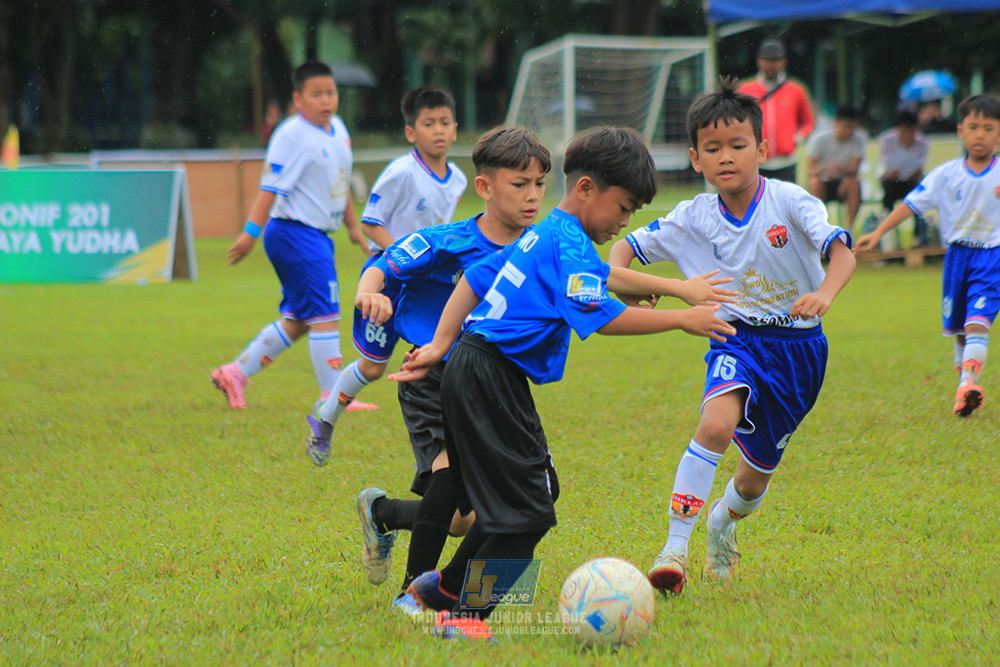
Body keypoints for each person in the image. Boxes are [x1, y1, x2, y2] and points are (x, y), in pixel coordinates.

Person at [390, 126, 738, 639]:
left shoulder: (546, 231)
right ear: (586, 189)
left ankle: (440, 591)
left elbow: (475, 279)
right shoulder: (566, 238)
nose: (623, 222)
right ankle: (461, 615)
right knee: (528, 515)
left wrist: (443, 344)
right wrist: (682, 318)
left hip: (481, 371)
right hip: (489, 375)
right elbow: (599, 314)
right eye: (622, 208)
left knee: (535, 496)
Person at [609, 78, 855, 595]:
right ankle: (673, 549)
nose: (727, 157)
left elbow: (842, 251)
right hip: (734, 337)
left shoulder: (790, 201)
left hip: (800, 352)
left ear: (762, 149)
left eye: (738, 146)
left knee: (751, 482)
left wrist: (826, 295)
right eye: (713, 148)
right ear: (696, 159)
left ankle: (723, 523)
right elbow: (622, 253)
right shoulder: (692, 217)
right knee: (715, 425)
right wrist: (638, 289)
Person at [338, 127, 550, 613]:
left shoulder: (542, 245)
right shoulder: (448, 240)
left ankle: (382, 512)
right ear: (485, 187)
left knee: (463, 516)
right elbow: (383, 264)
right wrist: (368, 292)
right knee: (451, 476)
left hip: (496, 384)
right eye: (520, 184)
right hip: (432, 377)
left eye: (539, 183)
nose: (533, 195)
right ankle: (415, 595)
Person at [305, 87, 467, 466]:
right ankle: (325, 419)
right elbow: (371, 222)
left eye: (444, 122)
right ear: (411, 132)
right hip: (388, 281)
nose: (438, 130)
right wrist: (406, 258)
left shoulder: (458, 179)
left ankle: (449, 446)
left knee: (444, 353)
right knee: (374, 368)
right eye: (428, 123)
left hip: (430, 286)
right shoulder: (400, 173)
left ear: (456, 129)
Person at [210, 62, 366, 411]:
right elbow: (268, 189)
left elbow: (339, 184)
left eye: (331, 92)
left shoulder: (338, 129)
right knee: (326, 314)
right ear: (297, 99)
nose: (326, 100)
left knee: (299, 321)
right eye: (316, 94)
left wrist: (353, 226)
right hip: (295, 233)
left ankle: (235, 372)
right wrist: (250, 234)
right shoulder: (290, 135)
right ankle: (333, 395)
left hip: (316, 235)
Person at [856, 93, 1000, 418]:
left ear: (999, 133)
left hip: (992, 260)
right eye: (974, 127)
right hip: (956, 260)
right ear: (961, 131)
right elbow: (910, 204)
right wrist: (878, 233)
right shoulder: (946, 175)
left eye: (988, 128)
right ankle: (964, 383)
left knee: (978, 324)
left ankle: (968, 384)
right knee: (960, 330)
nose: (980, 135)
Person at [738, 38, 815, 183]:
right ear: (758, 61)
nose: (770, 65)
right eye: (766, 60)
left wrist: (796, 138)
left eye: (775, 60)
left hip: (786, 161)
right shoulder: (745, 89)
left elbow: (808, 123)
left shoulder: (796, 89)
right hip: (755, 161)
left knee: (785, 204)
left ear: (783, 61)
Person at [806, 105, 866, 229]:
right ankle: (819, 227)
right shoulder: (819, 139)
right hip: (823, 182)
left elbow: (855, 170)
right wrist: (825, 169)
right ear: (836, 123)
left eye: (852, 128)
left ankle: (849, 228)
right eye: (846, 127)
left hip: (843, 184)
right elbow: (810, 169)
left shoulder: (858, 140)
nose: (849, 131)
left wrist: (841, 169)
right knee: (814, 183)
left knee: (854, 183)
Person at [877, 110, 930, 247]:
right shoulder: (887, 140)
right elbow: (885, 165)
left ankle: (918, 239)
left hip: (910, 182)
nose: (908, 135)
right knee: (888, 188)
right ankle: (888, 240)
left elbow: (919, 167)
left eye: (911, 131)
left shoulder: (922, 143)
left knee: (918, 193)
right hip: (892, 182)